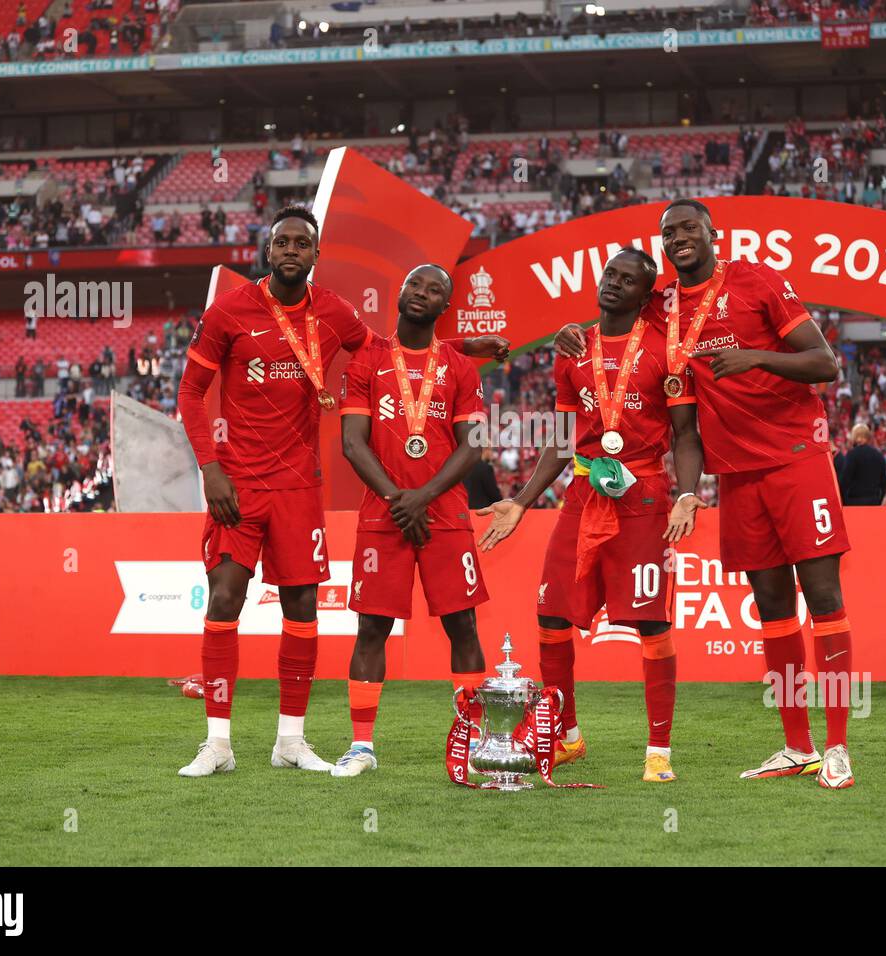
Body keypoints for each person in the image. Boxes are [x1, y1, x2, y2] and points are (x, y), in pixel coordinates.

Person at [174, 204, 508, 777]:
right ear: (267, 249)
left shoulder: (333, 311)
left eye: (303, 243)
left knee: (302, 607)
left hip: (300, 484)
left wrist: (465, 348)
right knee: (226, 597)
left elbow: (392, 346)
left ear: (315, 255)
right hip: (238, 482)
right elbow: (188, 393)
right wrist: (209, 468)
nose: (291, 251)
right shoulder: (228, 311)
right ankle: (218, 744)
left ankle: (291, 740)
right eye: (282, 241)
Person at [554, 199, 856, 789]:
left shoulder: (755, 278)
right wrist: (571, 332)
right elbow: (611, 322)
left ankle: (840, 745)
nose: (677, 239)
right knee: (772, 609)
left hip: (798, 458)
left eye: (688, 228)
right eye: (669, 233)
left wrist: (753, 357)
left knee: (823, 598)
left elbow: (826, 363)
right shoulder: (662, 306)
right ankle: (799, 746)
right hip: (735, 474)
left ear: (714, 233)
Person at [479, 248, 705, 783]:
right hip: (582, 496)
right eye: (610, 275)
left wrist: (689, 492)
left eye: (629, 281)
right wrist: (522, 500)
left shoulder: (665, 351)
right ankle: (568, 738)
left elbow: (687, 434)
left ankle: (658, 752)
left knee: (650, 623)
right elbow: (559, 441)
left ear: (644, 295)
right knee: (552, 618)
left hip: (643, 496)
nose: (614, 285)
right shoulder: (571, 347)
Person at [330, 265, 490, 777]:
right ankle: (361, 747)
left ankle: (471, 738)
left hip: (443, 512)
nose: (423, 294)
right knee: (372, 625)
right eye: (416, 285)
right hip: (385, 512)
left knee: (462, 625)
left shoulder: (460, 365)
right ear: (399, 294)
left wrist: (421, 497)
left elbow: (473, 446)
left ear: (446, 306)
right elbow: (353, 442)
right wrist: (401, 499)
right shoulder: (367, 361)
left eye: (435, 291)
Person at [840, 423, 886, 506]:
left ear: (854, 437)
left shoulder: (852, 455)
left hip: (854, 502)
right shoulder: (879, 455)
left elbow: (844, 481)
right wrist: (878, 501)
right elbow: (884, 483)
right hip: (873, 502)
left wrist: (845, 501)